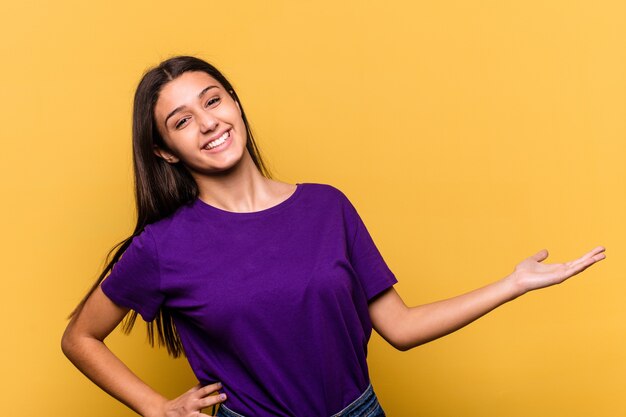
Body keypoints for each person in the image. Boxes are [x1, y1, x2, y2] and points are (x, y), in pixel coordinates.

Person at [61, 55, 606, 417]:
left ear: (234, 101)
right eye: (180, 121)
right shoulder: (163, 247)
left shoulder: (326, 206)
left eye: (212, 100)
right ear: (165, 150)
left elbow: (401, 326)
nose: (207, 123)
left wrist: (512, 284)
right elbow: (79, 338)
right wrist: (158, 408)